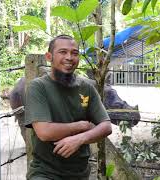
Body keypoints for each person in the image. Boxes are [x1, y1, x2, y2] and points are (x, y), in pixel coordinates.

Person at [25, 34, 112, 180]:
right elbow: (44, 132)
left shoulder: (87, 87)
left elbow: (106, 126)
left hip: (80, 172)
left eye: (75, 53)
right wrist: (81, 125)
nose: (69, 57)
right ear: (49, 56)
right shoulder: (38, 87)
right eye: (62, 52)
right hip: (45, 172)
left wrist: (79, 139)